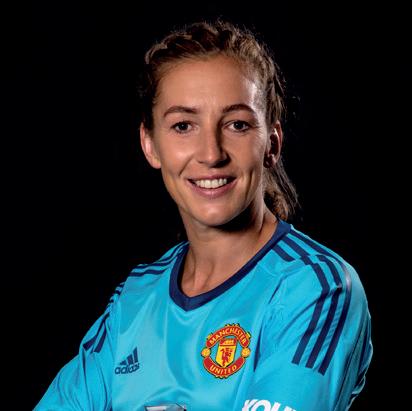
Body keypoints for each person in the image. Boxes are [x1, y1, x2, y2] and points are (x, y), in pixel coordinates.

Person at [34, 20, 372, 411]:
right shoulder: (136, 297)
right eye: (183, 126)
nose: (211, 154)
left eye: (237, 125)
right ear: (150, 144)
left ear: (271, 143)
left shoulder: (317, 286)